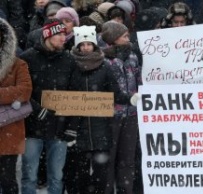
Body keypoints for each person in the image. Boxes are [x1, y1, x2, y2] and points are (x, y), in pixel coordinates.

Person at [63, 25, 134, 194]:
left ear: (94, 45)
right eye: (82, 44)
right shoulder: (71, 66)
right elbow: (65, 97)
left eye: (89, 44)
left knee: (101, 174)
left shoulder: (104, 67)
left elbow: (115, 93)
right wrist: (69, 127)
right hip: (78, 130)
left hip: (101, 128)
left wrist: (130, 98)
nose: (86, 47)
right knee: (79, 174)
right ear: (78, 46)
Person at [19, 18, 76, 194]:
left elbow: (75, 94)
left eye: (65, 34)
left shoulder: (69, 59)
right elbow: (22, 90)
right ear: (48, 35)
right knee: (29, 175)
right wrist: (37, 109)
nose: (63, 38)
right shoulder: (27, 58)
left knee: (56, 176)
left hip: (59, 126)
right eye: (59, 34)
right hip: (32, 126)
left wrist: (71, 127)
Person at [101, 21, 141, 194]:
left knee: (127, 158)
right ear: (114, 38)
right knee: (109, 158)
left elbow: (139, 80)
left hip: (131, 114)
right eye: (124, 36)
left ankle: (126, 190)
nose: (128, 38)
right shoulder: (104, 60)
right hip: (111, 115)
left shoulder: (133, 56)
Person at [0, 17, 32, 194]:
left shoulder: (19, 64)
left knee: (8, 179)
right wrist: (8, 94)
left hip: (9, 131)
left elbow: (24, 90)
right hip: (9, 127)